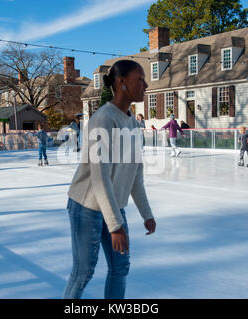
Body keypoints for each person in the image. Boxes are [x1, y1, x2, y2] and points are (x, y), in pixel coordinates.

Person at [63, 60, 156, 299]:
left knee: (120, 268)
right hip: (87, 206)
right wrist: (115, 226)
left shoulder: (134, 125)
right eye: (140, 79)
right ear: (121, 82)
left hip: (114, 206)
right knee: (83, 271)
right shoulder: (104, 119)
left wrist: (147, 214)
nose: (146, 85)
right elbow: (100, 177)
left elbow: (136, 175)